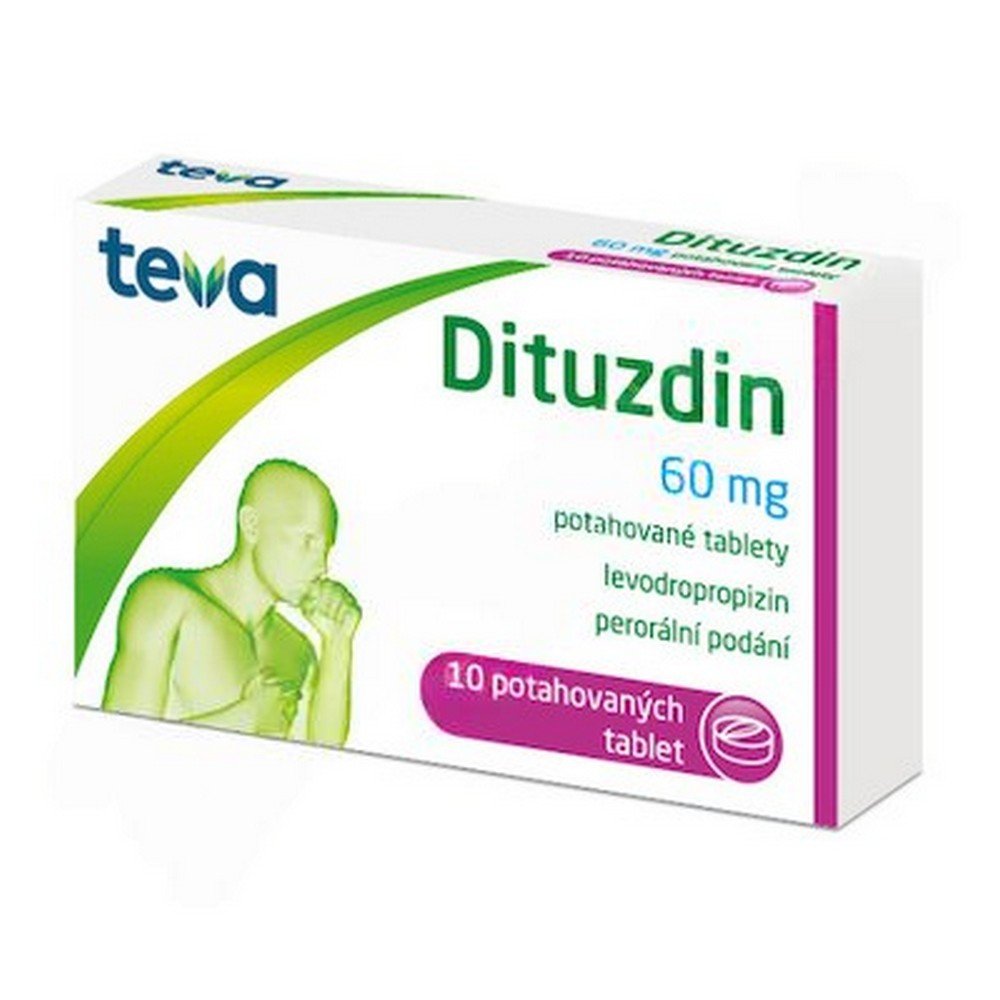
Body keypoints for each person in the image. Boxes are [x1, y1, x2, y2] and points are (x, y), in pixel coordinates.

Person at [102, 459, 361, 747]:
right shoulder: (166, 600)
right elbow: (119, 749)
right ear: (252, 525)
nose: (322, 566)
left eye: (325, 549)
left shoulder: (297, 651)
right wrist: (245, 718)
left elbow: (321, 760)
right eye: (307, 541)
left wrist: (338, 643)